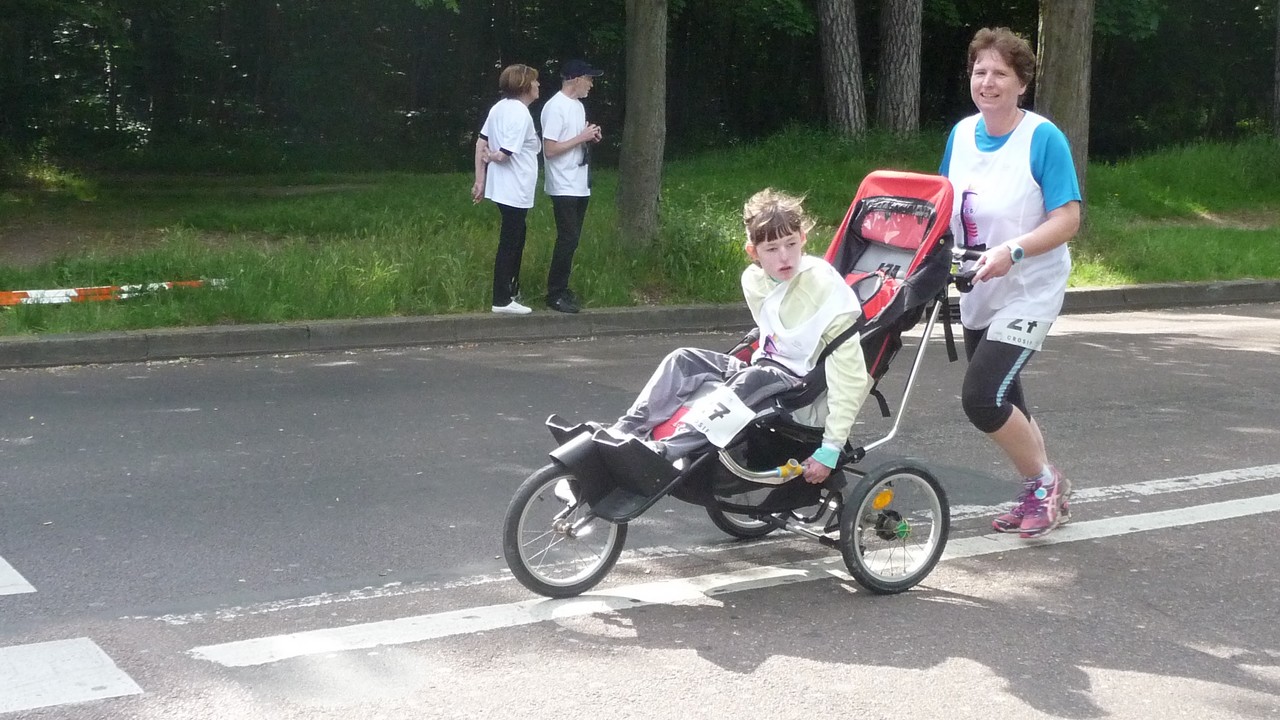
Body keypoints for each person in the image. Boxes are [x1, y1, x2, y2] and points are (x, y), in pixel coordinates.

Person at [608, 189, 872, 485]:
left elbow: (851, 378)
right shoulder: (754, 281)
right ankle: (624, 431)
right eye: (771, 249)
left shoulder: (826, 291)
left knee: (751, 380)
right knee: (683, 359)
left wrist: (831, 448)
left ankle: (666, 450)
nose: (784, 257)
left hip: (801, 385)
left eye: (791, 244)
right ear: (753, 252)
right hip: (765, 365)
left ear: (803, 239)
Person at [940, 27, 1082, 538]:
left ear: (1022, 83)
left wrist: (1013, 250)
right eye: (980, 71)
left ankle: (1044, 483)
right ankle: (1044, 491)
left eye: (1000, 73)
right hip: (979, 284)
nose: (988, 81)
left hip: (1029, 287)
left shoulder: (1042, 138)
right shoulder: (961, 134)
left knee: (982, 397)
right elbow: (942, 206)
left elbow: (1068, 219)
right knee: (1008, 397)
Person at [473, 64, 541, 315]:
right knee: (511, 240)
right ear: (524, 86)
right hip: (515, 187)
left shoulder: (498, 108)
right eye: (534, 81)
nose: (538, 85)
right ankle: (502, 299)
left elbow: (480, 142)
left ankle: (511, 289)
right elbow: (503, 154)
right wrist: (491, 158)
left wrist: (480, 180)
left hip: (503, 187)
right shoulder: (520, 114)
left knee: (517, 235)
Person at [540, 59, 604, 314]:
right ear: (576, 79)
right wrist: (581, 137)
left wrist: (590, 136)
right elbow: (549, 149)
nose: (591, 85)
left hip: (579, 182)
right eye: (589, 79)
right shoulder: (555, 107)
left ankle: (562, 287)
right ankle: (554, 293)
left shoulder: (577, 106)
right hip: (563, 183)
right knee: (567, 238)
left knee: (573, 238)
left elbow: (575, 140)